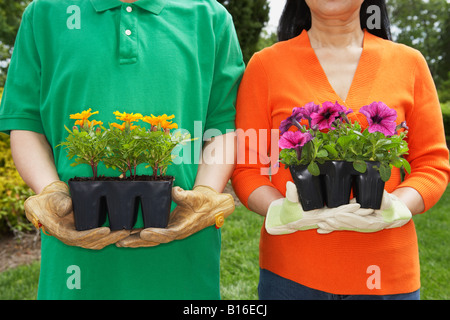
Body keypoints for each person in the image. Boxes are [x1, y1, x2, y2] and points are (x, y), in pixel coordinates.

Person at [0, 0, 244, 299]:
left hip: (183, 246)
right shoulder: (45, 13)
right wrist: (49, 189)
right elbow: (26, 123)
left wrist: (206, 192)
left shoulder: (209, 16)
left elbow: (222, 127)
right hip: (76, 245)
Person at [231, 0, 450, 300]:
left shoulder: (409, 63)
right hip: (291, 276)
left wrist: (397, 206)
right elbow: (247, 169)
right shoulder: (266, 65)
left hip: (387, 275)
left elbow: (432, 164)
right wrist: (280, 210)